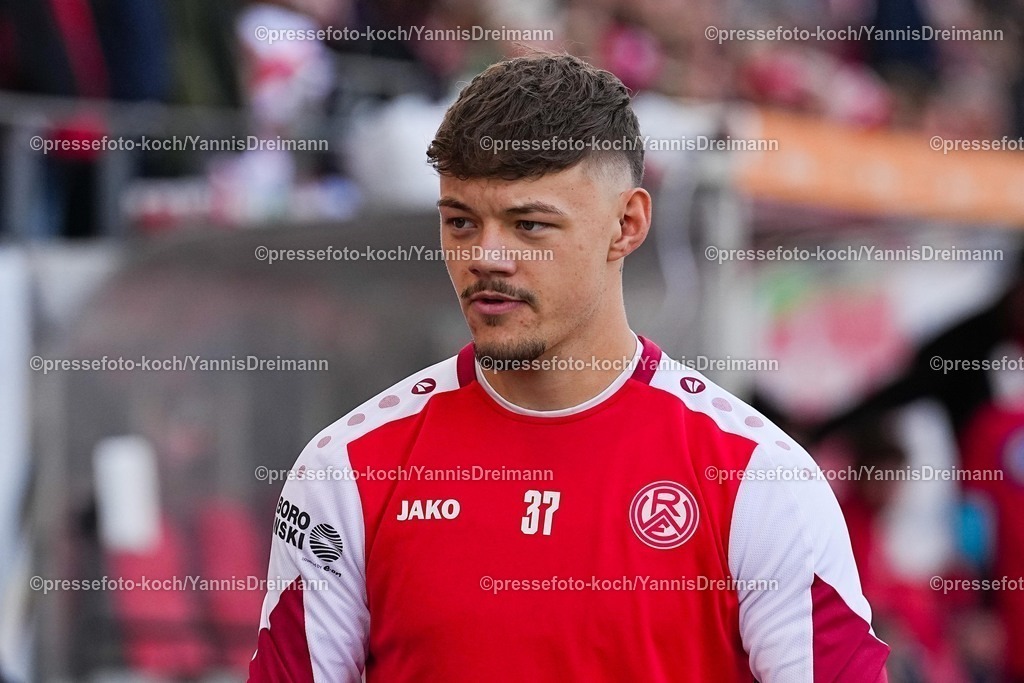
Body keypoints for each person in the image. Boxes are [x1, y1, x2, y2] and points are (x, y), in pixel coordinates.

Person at [248, 51, 889, 682]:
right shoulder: (345, 470)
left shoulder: (758, 479)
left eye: (529, 225)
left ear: (627, 224)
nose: (485, 256)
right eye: (461, 222)